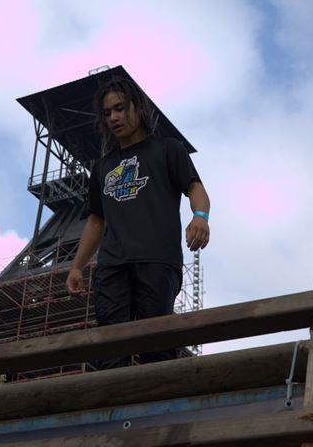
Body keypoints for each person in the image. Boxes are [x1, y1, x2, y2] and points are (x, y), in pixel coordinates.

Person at [66, 77, 211, 369]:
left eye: (120, 108)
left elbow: (195, 187)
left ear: (137, 107)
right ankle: (112, 399)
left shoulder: (168, 149)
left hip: (157, 260)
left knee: (155, 345)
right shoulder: (103, 167)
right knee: (110, 348)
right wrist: (77, 266)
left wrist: (201, 217)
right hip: (112, 266)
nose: (113, 118)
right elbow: (96, 220)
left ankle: (157, 399)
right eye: (107, 113)